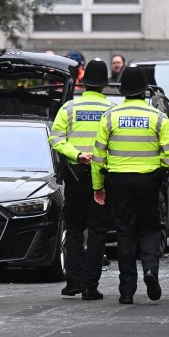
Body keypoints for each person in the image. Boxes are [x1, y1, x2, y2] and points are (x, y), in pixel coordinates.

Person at [91, 67, 169, 304]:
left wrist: (98, 186)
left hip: (118, 180)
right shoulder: (157, 117)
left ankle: (127, 291)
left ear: (123, 92)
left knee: (125, 232)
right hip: (148, 180)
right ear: (143, 91)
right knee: (150, 228)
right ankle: (150, 270)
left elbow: (98, 156)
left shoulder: (110, 116)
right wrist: (160, 171)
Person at [49, 58, 114, 300]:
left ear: (83, 83)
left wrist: (77, 154)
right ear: (105, 84)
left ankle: (73, 282)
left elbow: (55, 139)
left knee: (74, 229)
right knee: (97, 232)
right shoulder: (111, 111)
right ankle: (90, 286)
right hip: (102, 178)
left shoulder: (68, 108)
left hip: (75, 176)